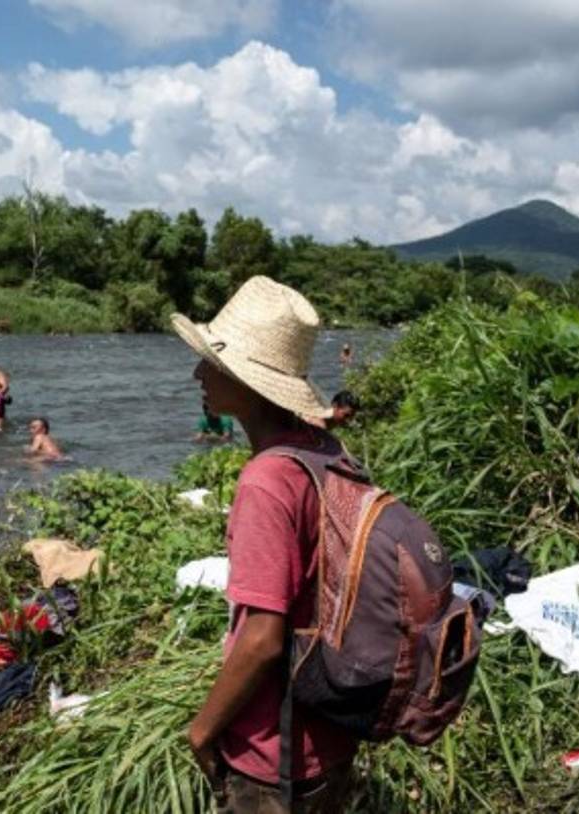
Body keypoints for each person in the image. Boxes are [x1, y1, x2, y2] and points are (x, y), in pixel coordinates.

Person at [173, 276, 359, 813]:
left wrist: (203, 732)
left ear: (246, 381)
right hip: (329, 732)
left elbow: (263, 640)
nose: (198, 374)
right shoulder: (326, 453)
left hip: (273, 756)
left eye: (211, 364)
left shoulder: (266, 480)